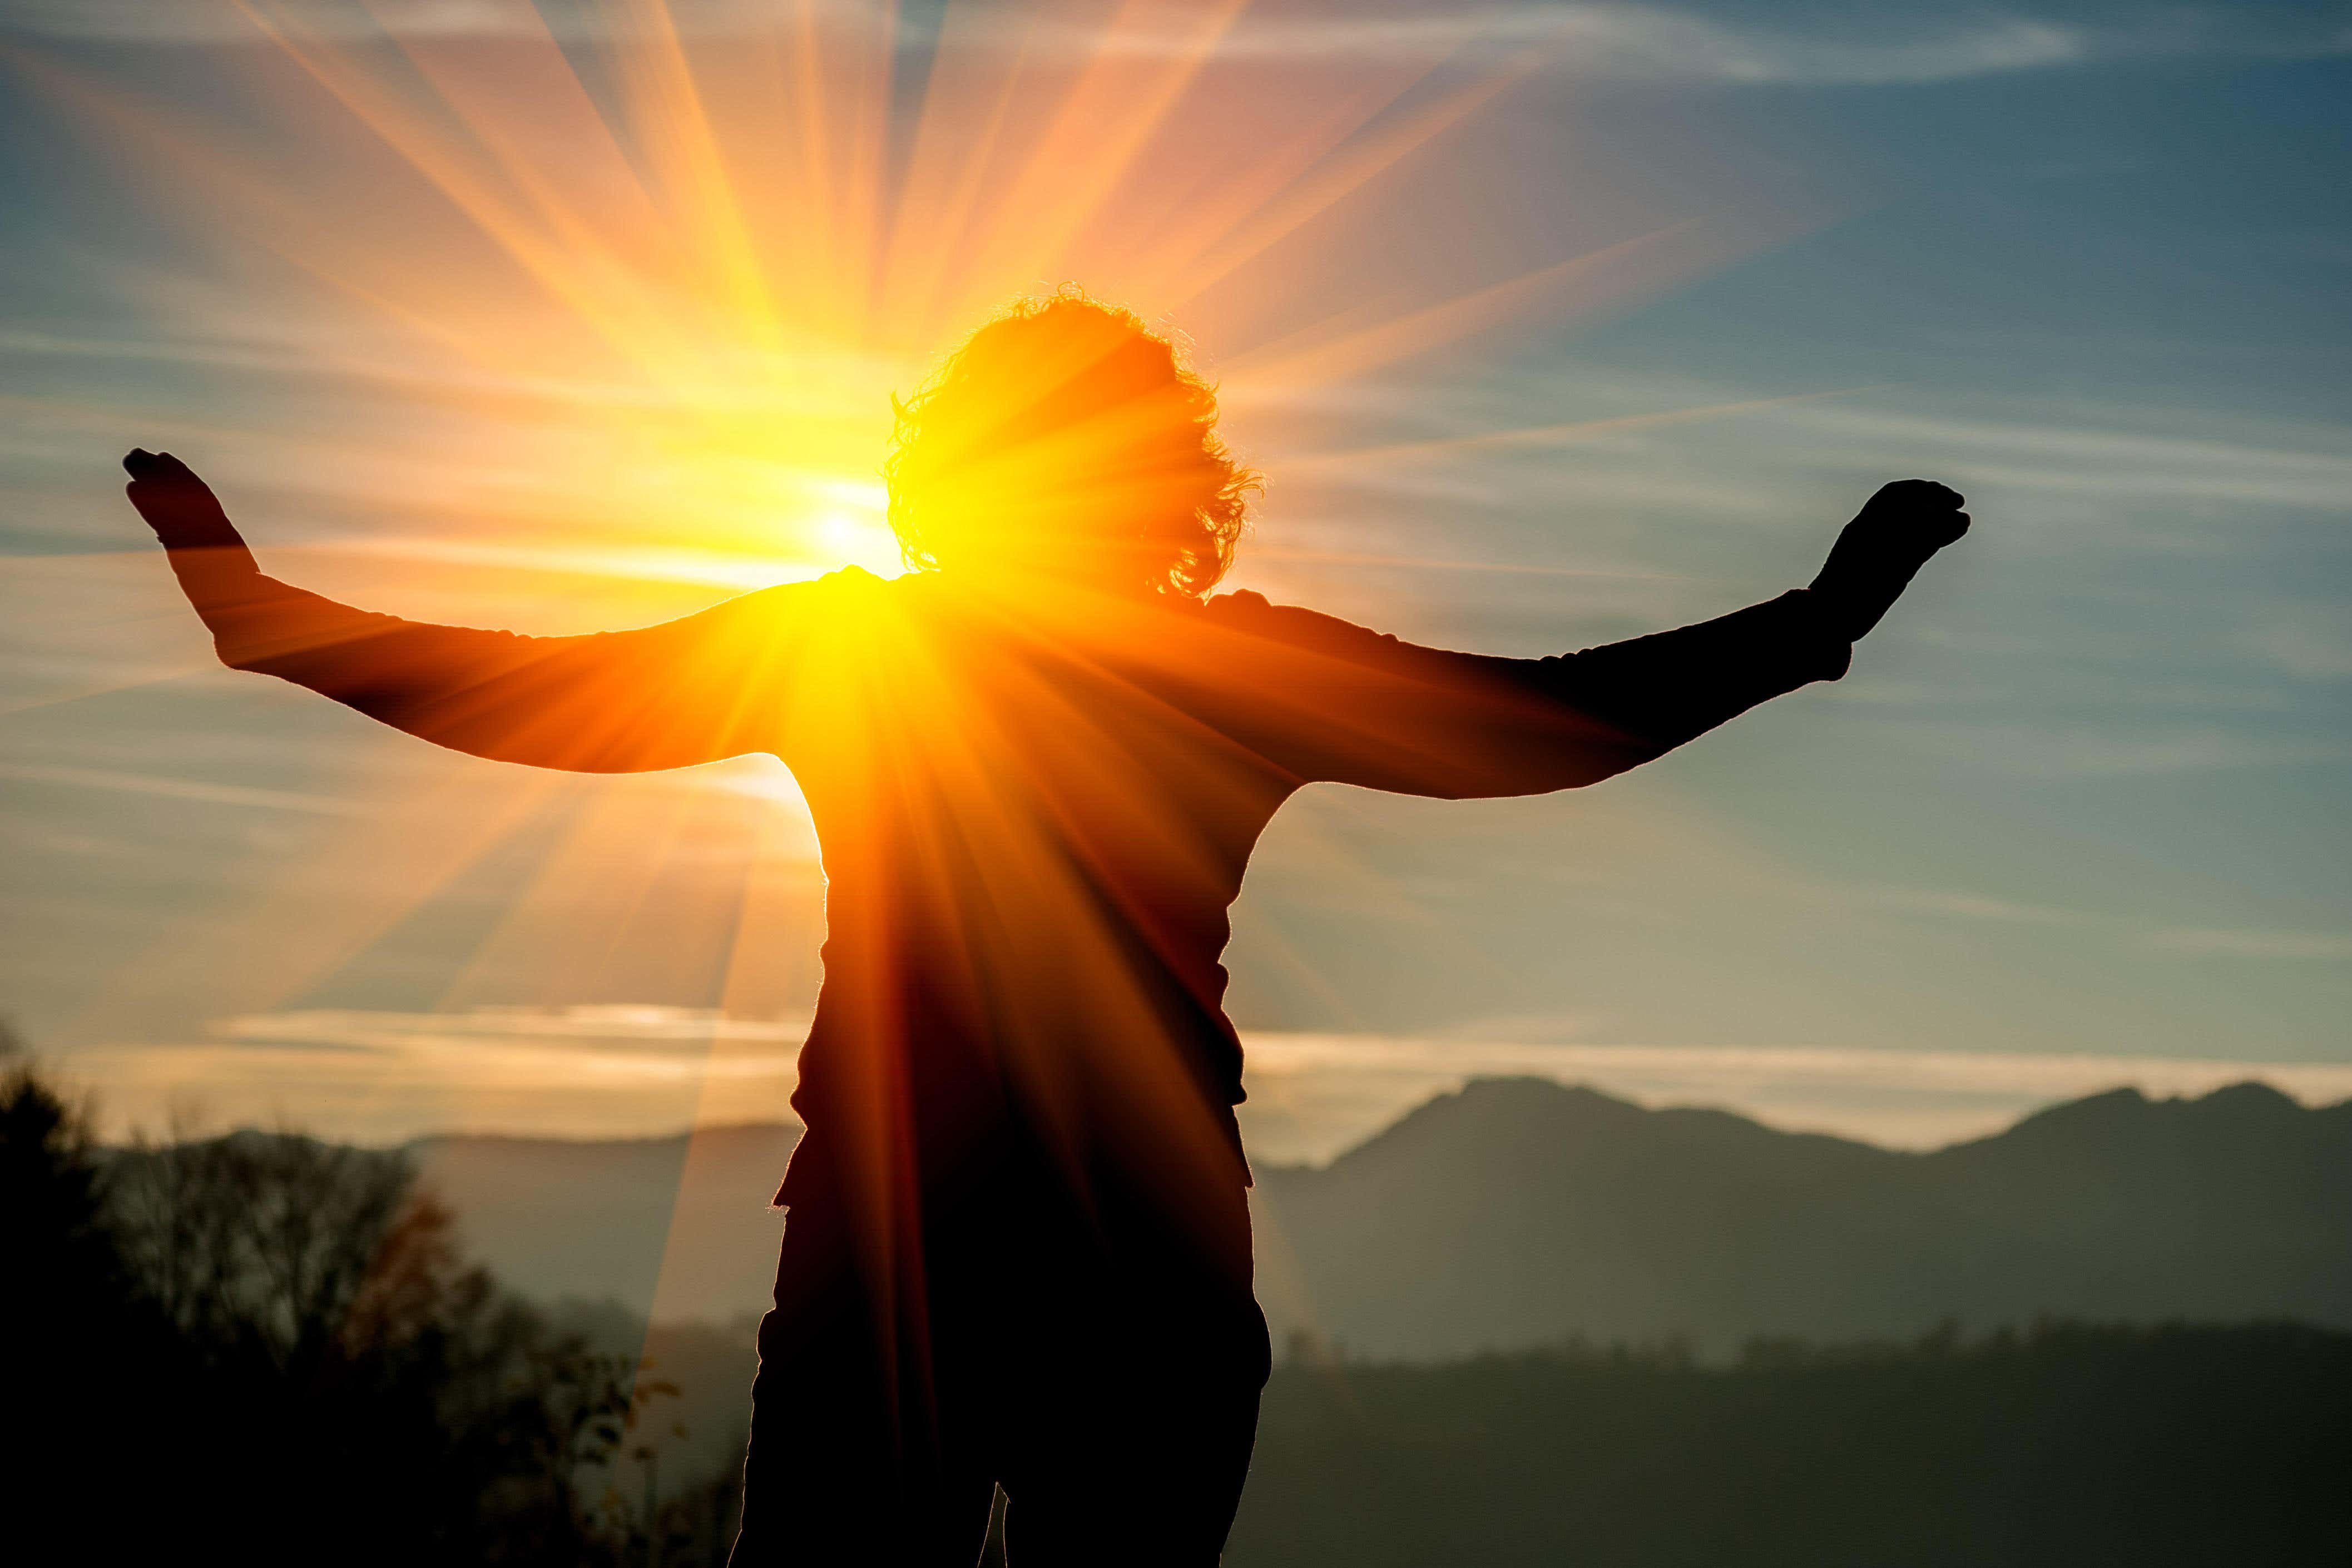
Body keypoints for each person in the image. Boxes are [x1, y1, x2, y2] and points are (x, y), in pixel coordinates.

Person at [126, 290, 1969, 1565]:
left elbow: (540, 692)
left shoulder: (909, 647)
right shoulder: (1059, 658)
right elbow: (1546, 723)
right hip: (1048, 1273)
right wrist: (267, 620)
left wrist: (271, 622)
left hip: (959, 1266)